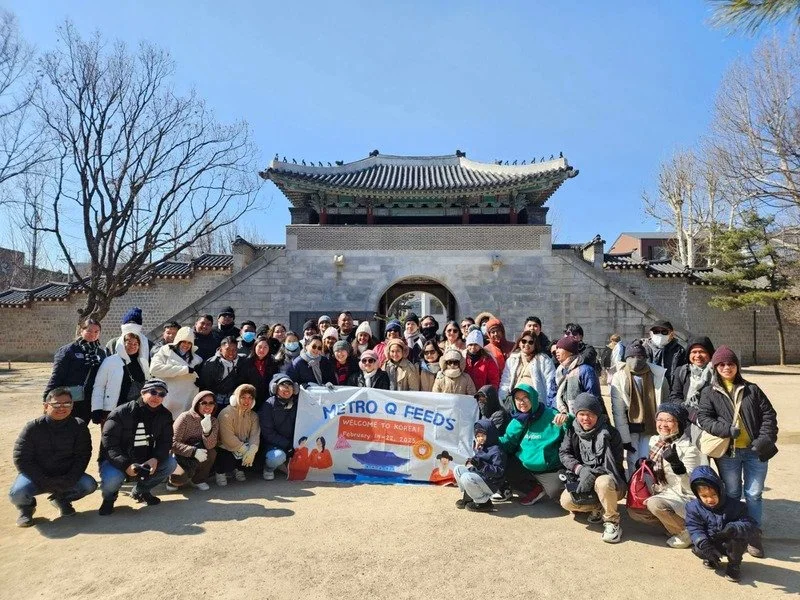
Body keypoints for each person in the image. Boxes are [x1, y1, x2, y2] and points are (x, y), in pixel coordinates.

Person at [697, 345, 778, 558]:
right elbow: (704, 418)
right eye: (721, 364)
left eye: (730, 364)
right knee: (732, 493)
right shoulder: (709, 392)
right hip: (728, 452)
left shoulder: (752, 389)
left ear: (737, 366)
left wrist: (764, 441)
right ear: (715, 367)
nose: (726, 367)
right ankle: (734, 532)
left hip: (754, 451)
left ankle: (753, 534)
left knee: (754, 494)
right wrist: (725, 430)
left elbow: (769, 415)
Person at [10, 388, 97, 527]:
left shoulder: (79, 426)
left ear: (72, 406)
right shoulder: (33, 427)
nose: (62, 408)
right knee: (17, 492)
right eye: (56, 404)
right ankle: (26, 509)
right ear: (46, 406)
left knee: (89, 485)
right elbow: (21, 458)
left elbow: (83, 456)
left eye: (67, 404)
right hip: (37, 475)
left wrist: (71, 478)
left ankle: (61, 499)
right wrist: (44, 480)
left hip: (65, 473)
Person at [627, 403, 702, 549]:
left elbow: (692, 488)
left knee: (655, 504)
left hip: (681, 496)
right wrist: (643, 464)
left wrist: (677, 466)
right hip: (661, 492)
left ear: (679, 423)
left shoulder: (689, 449)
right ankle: (672, 526)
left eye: (669, 420)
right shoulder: (655, 441)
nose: (663, 424)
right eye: (660, 419)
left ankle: (687, 532)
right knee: (634, 511)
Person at [97, 379, 177, 515]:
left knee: (170, 464)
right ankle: (109, 499)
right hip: (117, 459)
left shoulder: (165, 415)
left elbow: (166, 442)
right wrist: (126, 465)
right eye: (153, 392)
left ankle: (141, 491)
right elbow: (109, 446)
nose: (156, 397)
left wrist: (155, 459)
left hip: (145, 458)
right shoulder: (121, 412)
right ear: (142, 392)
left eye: (161, 394)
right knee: (112, 479)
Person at [558, 393, 626, 543]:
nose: (586, 419)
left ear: (598, 415)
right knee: (566, 501)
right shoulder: (573, 430)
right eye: (581, 414)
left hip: (610, 479)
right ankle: (598, 507)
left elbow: (616, 463)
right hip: (582, 476)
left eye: (590, 414)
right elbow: (564, 453)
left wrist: (592, 473)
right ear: (576, 415)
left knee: (603, 482)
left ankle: (612, 522)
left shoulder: (611, 433)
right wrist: (580, 469)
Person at [686, 466, 758, 582]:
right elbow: (694, 527)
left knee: (737, 540)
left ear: (720, 490)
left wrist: (734, 528)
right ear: (697, 494)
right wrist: (703, 544)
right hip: (711, 541)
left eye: (713, 495)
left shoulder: (736, 506)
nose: (709, 500)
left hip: (728, 542)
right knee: (699, 547)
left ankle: (734, 565)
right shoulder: (693, 507)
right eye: (704, 496)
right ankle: (711, 558)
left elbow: (750, 524)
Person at [499, 383, 567, 506]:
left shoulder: (550, 414)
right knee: (501, 461)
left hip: (548, 467)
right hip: (525, 466)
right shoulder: (516, 420)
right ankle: (533, 489)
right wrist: (489, 440)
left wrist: (567, 419)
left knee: (556, 493)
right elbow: (507, 443)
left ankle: (547, 486)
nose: (522, 402)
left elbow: (569, 430)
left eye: (525, 397)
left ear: (533, 398)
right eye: (518, 399)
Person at [610, 340, 669, 474]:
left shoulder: (658, 376)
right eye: (632, 357)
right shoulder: (619, 377)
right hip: (631, 426)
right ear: (626, 358)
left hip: (651, 425)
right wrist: (625, 439)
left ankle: (649, 487)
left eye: (641, 357)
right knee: (632, 460)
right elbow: (618, 411)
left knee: (649, 457)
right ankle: (635, 488)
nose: (636, 360)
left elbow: (665, 403)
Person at [45, 318, 104, 423]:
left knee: (81, 429)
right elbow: (57, 376)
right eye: (89, 331)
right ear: (81, 331)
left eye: (96, 332)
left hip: (88, 400)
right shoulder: (68, 350)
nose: (93, 334)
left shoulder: (100, 352)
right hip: (68, 399)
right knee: (65, 429)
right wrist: (47, 398)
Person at [90, 331, 150, 425]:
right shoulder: (110, 361)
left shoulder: (143, 363)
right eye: (129, 343)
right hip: (112, 410)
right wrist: (96, 409)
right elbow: (99, 386)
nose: (132, 346)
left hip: (136, 410)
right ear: (122, 343)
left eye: (136, 344)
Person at [167, 390, 219, 492]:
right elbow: (172, 442)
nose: (207, 406)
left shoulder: (214, 421)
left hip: (201, 452)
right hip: (179, 455)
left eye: (211, 403)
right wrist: (193, 451)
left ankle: (198, 480)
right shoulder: (185, 417)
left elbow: (210, 445)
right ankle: (171, 479)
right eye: (203, 403)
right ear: (196, 404)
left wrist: (207, 431)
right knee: (178, 480)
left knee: (212, 452)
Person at [669, 336, 715, 447]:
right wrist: (691, 413)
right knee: (695, 461)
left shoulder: (717, 372)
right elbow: (675, 397)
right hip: (688, 423)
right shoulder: (682, 371)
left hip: (713, 423)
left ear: (710, 353)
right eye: (694, 352)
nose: (697, 356)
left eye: (702, 352)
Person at [149, 326, 203, 420]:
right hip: (166, 398)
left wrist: (199, 381)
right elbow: (154, 369)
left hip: (185, 402)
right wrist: (184, 370)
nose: (186, 345)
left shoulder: (197, 360)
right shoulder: (165, 351)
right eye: (183, 341)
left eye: (189, 342)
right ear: (178, 341)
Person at [453, 419, 506, 512]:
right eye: (478, 436)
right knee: (458, 469)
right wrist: (473, 461)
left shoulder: (497, 451)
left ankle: (484, 502)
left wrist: (480, 465)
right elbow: (478, 462)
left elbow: (498, 472)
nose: (480, 438)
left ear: (490, 435)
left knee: (466, 477)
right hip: (481, 477)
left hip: (491, 483)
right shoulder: (483, 447)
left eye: (483, 436)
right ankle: (469, 496)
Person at [215, 383, 260, 486]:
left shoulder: (254, 416)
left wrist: (252, 451)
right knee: (225, 455)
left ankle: (238, 469)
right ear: (235, 398)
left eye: (250, 398)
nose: (247, 401)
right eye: (243, 397)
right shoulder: (226, 413)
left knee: (254, 451)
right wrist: (245, 450)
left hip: (244, 446)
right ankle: (220, 472)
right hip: (226, 447)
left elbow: (255, 435)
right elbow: (227, 437)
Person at [548, 336, 602, 417]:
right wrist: (557, 412)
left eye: (560, 348)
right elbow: (552, 395)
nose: (556, 351)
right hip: (561, 418)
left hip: (583, 419)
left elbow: (593, 397)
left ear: (570, 351)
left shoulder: (585, 370)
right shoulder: (558, 372)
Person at [500, 333, 555, 411]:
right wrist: (503, 399)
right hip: (515, 401)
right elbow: (505, 381)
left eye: (530, 342)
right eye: (524, 341)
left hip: (536, 401)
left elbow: (551, 383)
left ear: (535, 345)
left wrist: (550, 405)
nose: (526, 344)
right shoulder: (512, 359)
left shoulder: (543, 359)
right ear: (519, 343)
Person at [259, 374, 299, 481]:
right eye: (283, 385)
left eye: (290, 385)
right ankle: (269, 468)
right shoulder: (268, 405)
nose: (287, 388)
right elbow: (268, 433)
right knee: (277, 457)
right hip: (274, 445)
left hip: (293, 443)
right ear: (275, 388)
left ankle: (285, 464)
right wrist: (287, 444)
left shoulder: (298, 403)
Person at [199, 336, 245, 411]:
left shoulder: (242, 361)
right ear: (220, 350)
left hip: (233, 401)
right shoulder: (211, 363)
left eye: (234, 350)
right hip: (214, 401)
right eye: (227, 349)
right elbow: (205, 385)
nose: (231, 353)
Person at [241, 335, 280, 411]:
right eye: (260, 347)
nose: (262, 350)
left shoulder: (273, 363)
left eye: (265, 347)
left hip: (267, 400)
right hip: (250, 399)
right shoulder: (246, 363)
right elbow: (241, 381)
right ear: (255, 347)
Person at [644, 321, 687, 385]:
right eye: (656, 332)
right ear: (651, 333)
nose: (660, 335)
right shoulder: (642, 348)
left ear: (671, 334)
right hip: (648, 388)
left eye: (664, 332)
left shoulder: (679, 351)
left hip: (671, 388)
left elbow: (683, 372)